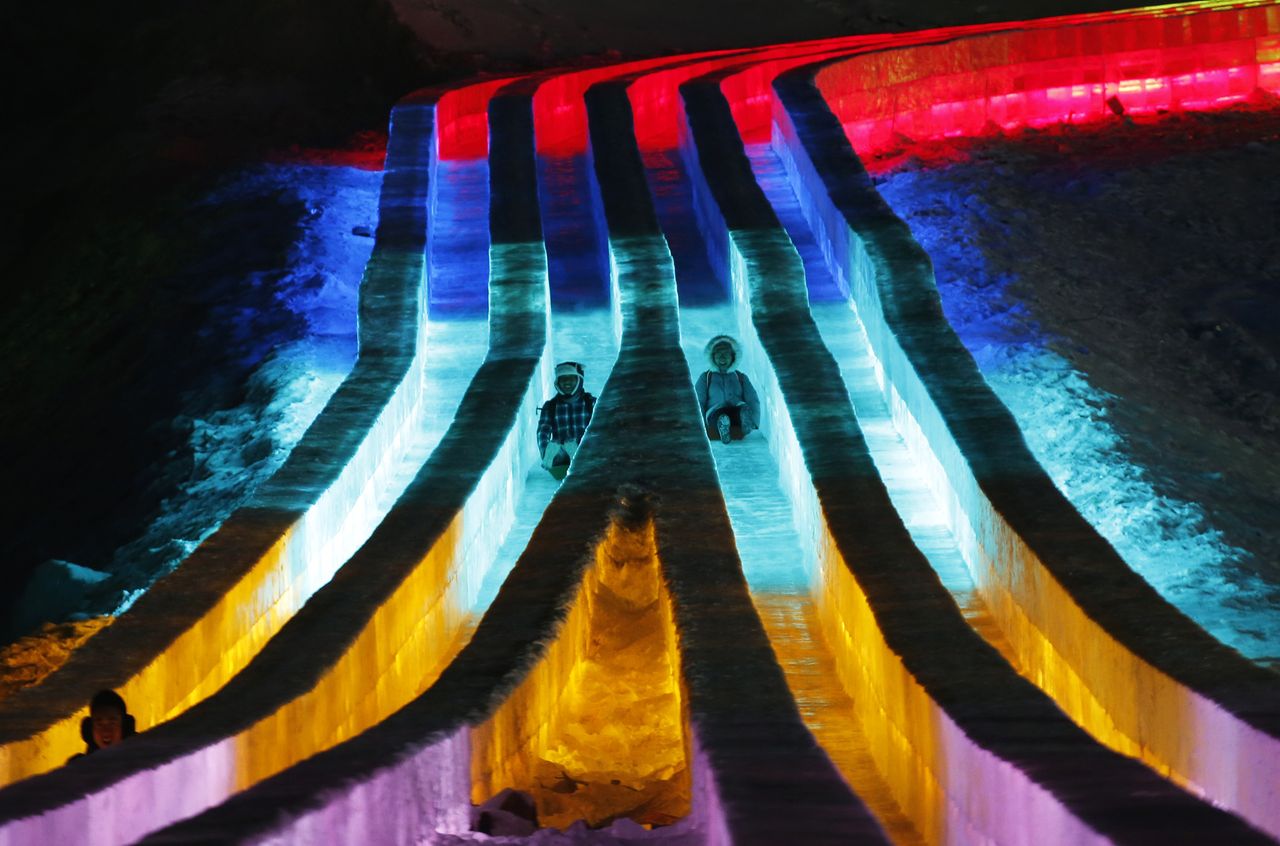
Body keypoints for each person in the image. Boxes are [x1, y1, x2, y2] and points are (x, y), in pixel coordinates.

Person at [695, 335, 761, 444]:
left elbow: (752, 400)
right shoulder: (706, 378)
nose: (722, 357)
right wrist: (700, 426)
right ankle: (723, 427)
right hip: (715, 413)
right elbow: (698, 402)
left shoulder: (740, 377)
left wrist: (754, 421)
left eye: (726, 354)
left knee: (740, 411)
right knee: (720, 416)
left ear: (733, 356)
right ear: (713, 356)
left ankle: (742, 425)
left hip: (736, 411)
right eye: (718, 353)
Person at [537, 361, 595, 480]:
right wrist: (545, 450)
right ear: (557, 383)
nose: (567, 382)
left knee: (580, 445)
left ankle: (576, 454)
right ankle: (560, 455)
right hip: (562, 457)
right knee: (557, 447)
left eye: (571, 379)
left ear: (579, 380)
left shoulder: (591, 403)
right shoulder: (550, 406)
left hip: (587, 453)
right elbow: (543, 432)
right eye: (563, 379)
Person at [71, 689, 137, 760]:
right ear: (90, 729)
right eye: (99, 724)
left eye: (112, 723)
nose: (106, 731)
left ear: (125, 726)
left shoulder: (143, 758)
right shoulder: (80, 766)